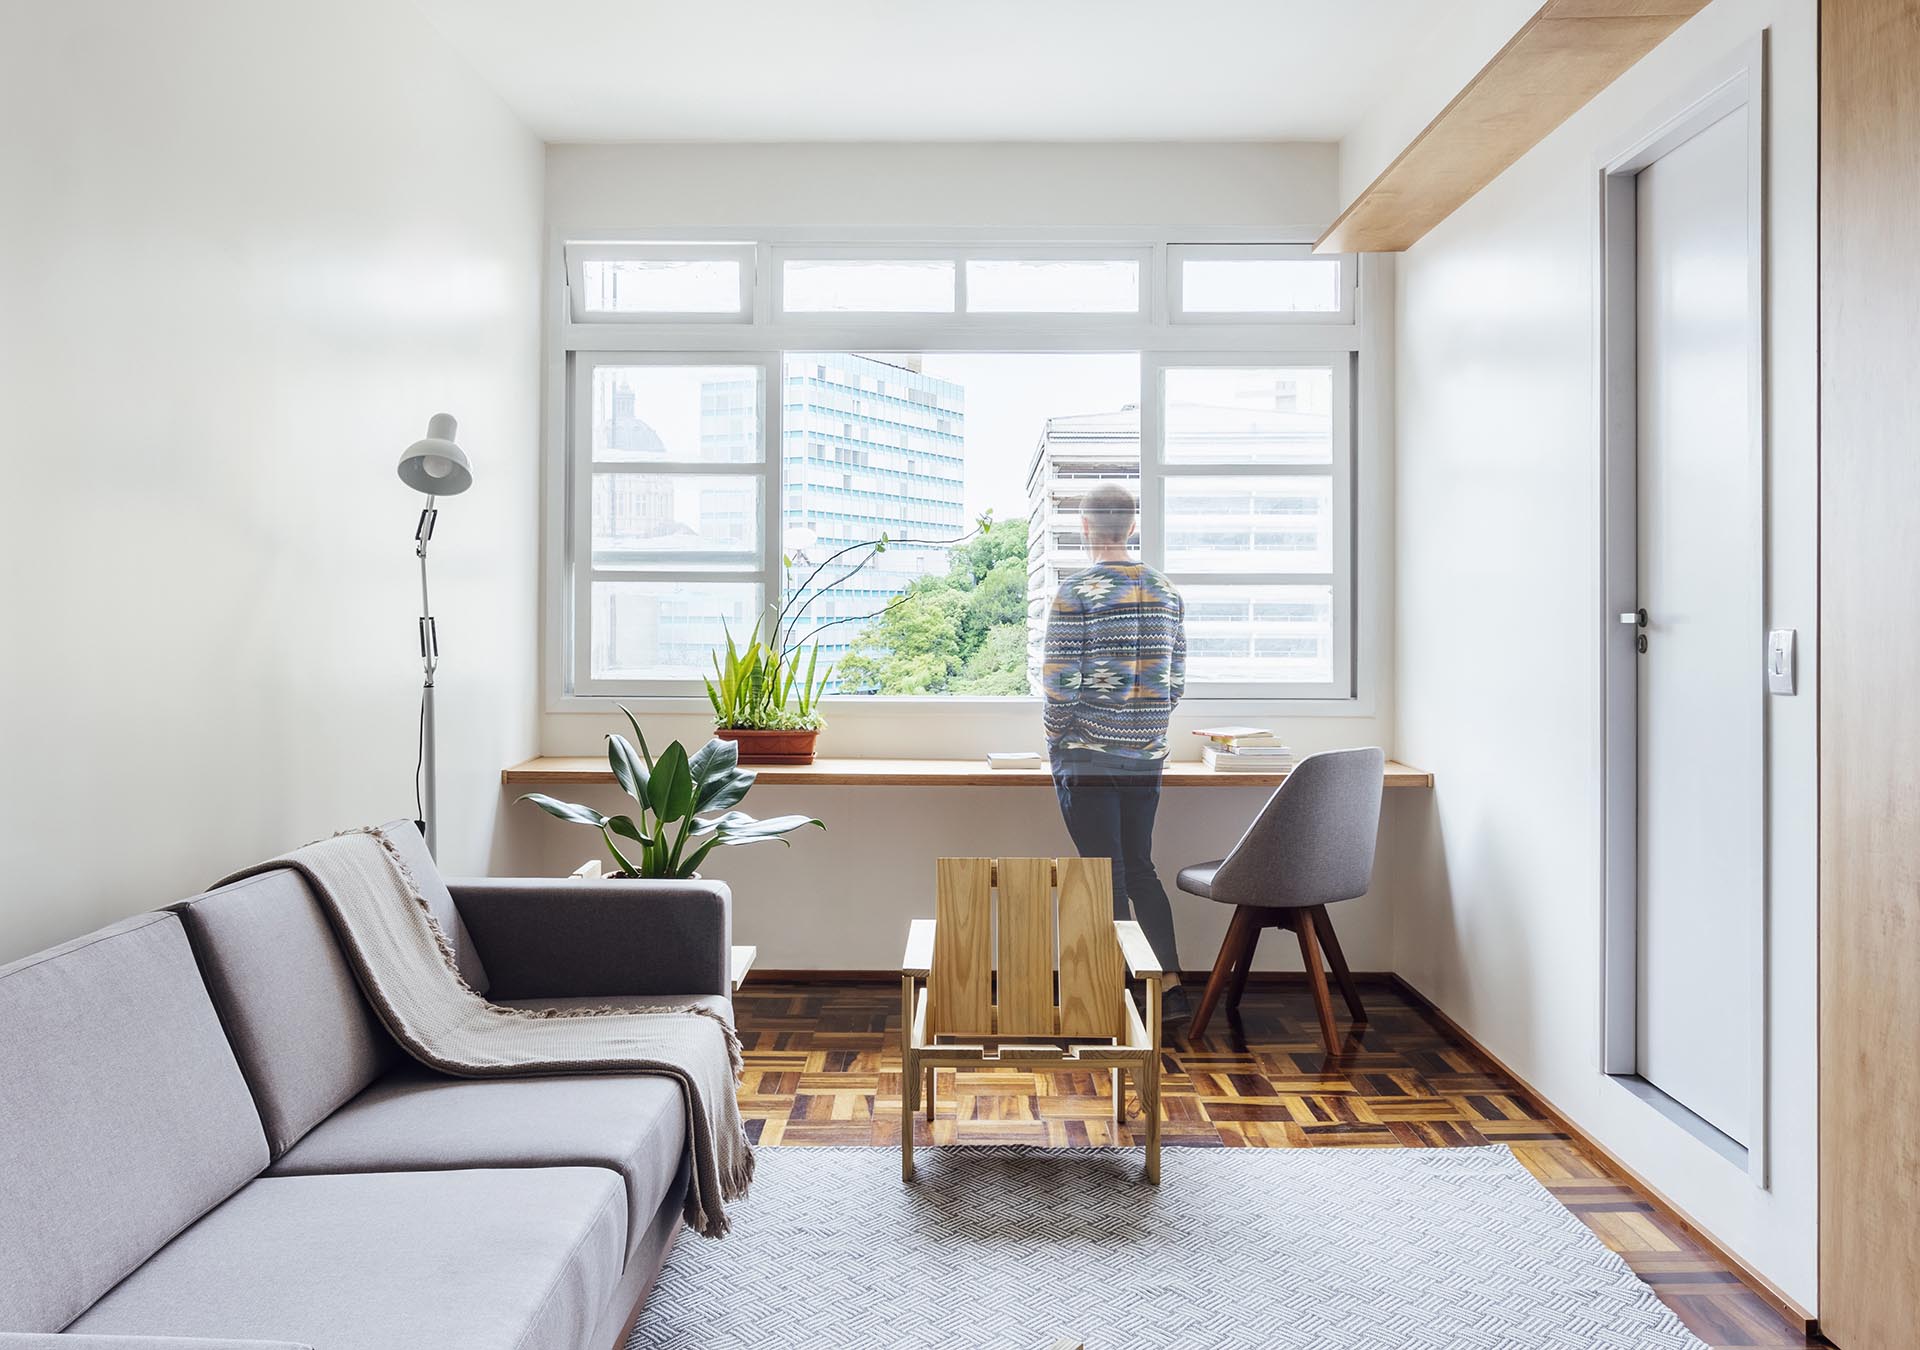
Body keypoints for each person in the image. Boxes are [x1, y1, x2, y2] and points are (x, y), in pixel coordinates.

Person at [1042, 482, 1187, 1005]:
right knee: (1138, 867)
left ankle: (1119, 995)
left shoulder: (1076, 592)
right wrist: (1144, 731)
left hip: (1087, 755)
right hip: (1146, 756)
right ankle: (1167, 989)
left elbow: (1062, 682)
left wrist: (1058, 735)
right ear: (1131, 527)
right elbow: (1174, 685)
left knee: (1104, 874)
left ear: (1084, 527)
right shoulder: (1167, 591)